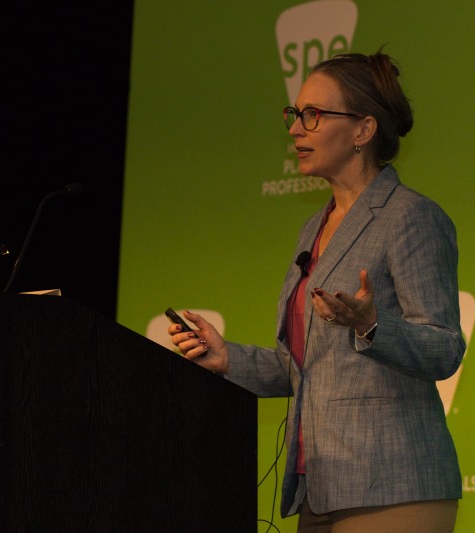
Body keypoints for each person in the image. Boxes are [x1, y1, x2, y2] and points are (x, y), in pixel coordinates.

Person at [169, 48, 465, 532]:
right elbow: (310, 370)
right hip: (320, 485)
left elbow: (444, 347)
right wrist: (227, 360)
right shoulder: (314, 227)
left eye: (313, 114)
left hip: (394, 484)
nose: (295, 129)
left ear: (363, 130)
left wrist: (372, 325)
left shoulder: (410, 217)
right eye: (295, 113)